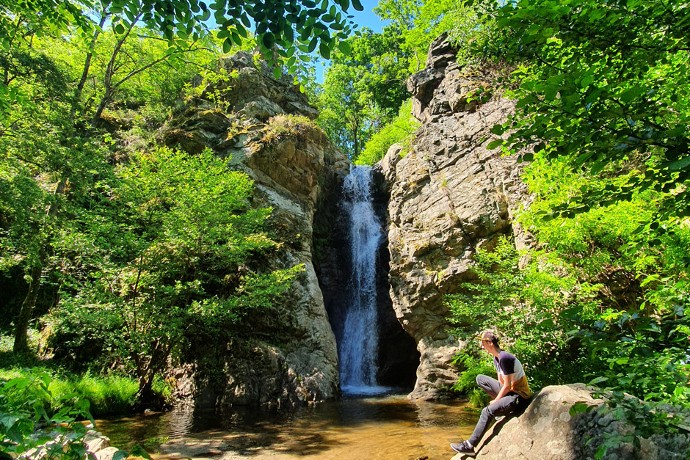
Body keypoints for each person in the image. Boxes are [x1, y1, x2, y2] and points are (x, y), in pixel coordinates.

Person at [450, 330, 533, 456]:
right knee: (480, 378)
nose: (481, 346)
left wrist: (496, 401)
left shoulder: (505, 358)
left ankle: (470, 445)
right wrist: (499, 399)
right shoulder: (496, 358)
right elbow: (501, 383)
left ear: (489, 343)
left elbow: (508, 385)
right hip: (510, 391)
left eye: (483, 343)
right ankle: (500, 409)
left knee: (486, 411)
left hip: (519, 396)